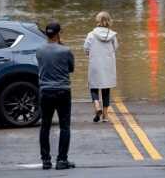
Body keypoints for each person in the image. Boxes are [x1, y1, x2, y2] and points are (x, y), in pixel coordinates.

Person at [37, 22, 76, 170]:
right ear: (59, 33)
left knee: (45, 126)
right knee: (64, 127)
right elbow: (71, 68)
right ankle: (61, 160)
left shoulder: (39, 50)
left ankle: (46, 161)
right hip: (62, 91)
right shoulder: (65, 50)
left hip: (45, 91)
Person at [84, 11, 118, 123]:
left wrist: (91, 53)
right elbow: (115, 48)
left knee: (93, 87)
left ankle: (97, 105)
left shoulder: (91, 35)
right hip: (108, 65)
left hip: (95, 64)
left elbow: (86, 49)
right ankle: (105, 116)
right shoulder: (112, 35)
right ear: (109, 21)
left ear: (97, 21)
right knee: (106, 89)